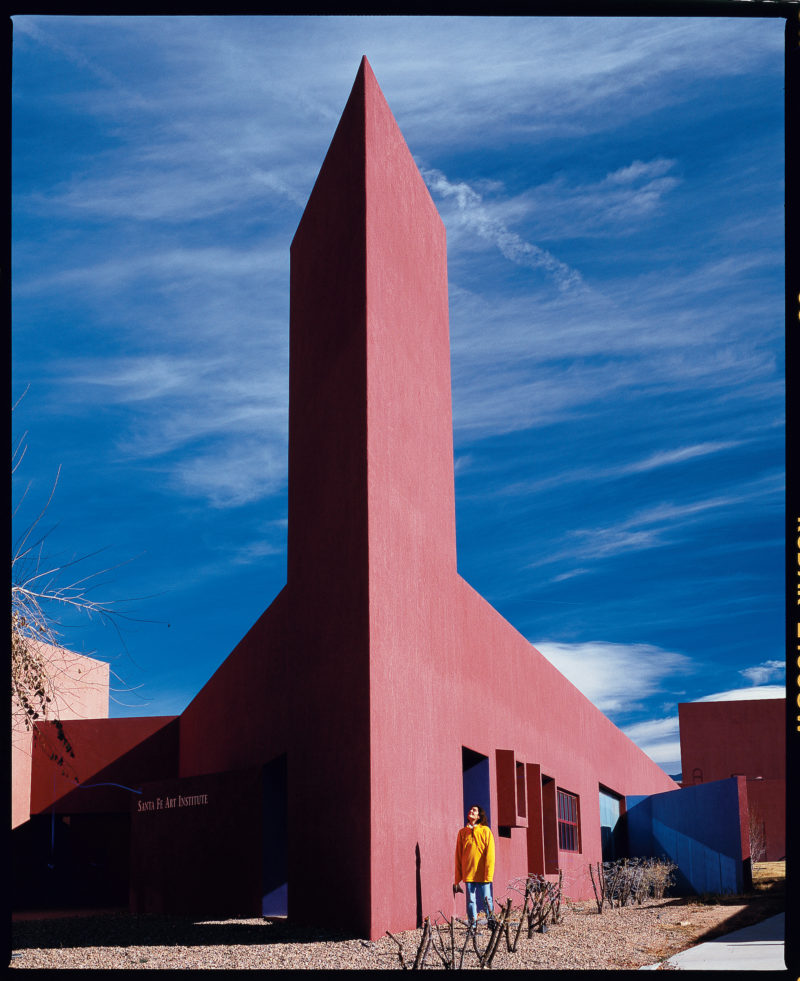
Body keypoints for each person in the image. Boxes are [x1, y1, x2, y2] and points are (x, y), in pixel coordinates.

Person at [454, 804, 496, 931]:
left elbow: (490, 854)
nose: (471, 811)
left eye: (474, 810)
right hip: (468, 873)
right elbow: (458, 854)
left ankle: (491, 923)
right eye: (470, 809)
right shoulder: (462, 832)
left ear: (479, 816)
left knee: (487, 899)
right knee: (471, 901)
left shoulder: (486, 831)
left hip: (483, 873)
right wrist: (458, 877)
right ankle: (472, 925)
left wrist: (489, 873)